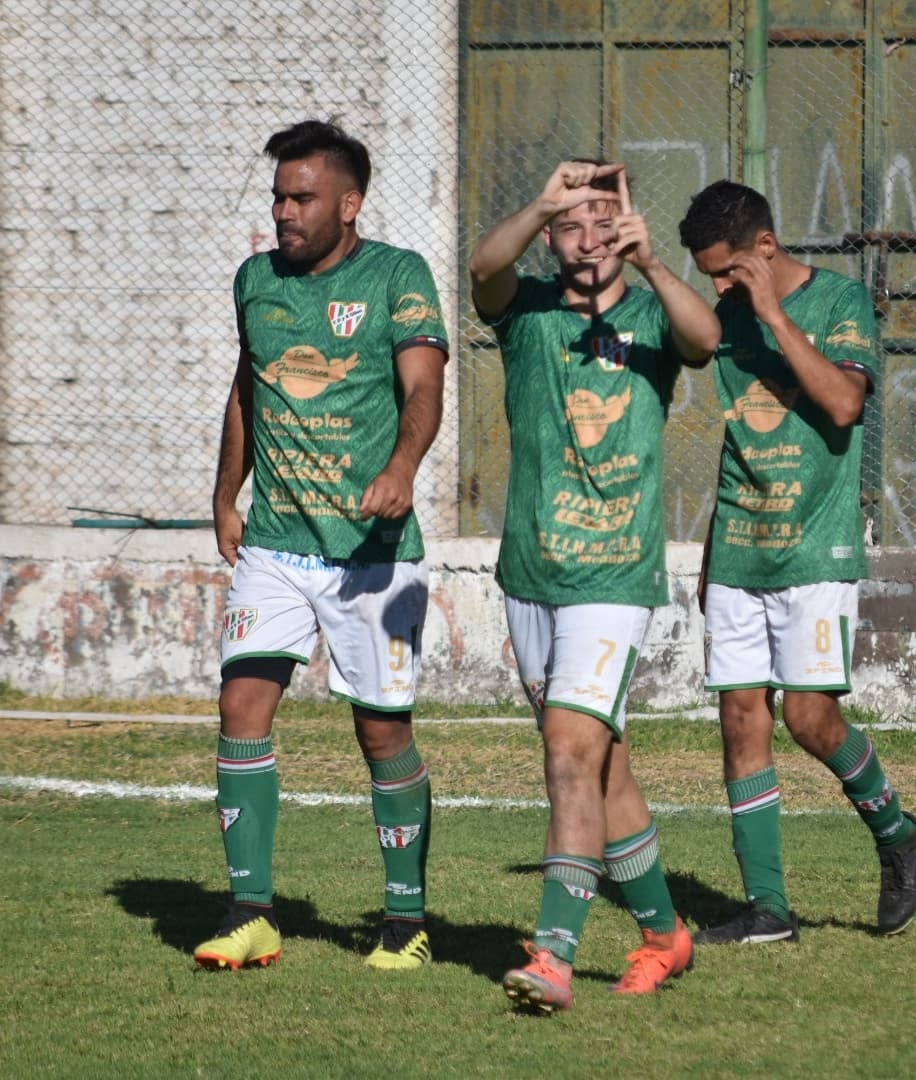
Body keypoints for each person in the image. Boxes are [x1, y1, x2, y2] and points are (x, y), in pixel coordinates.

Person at [194, 118, 448, 972]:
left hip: (373, 553)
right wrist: (226, 494)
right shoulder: (255, 281)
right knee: (241, 707)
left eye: (302, 198)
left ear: (350, 204)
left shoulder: (398, 276)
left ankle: (405, 920)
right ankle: (250, 912)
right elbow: (247, 387)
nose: (284, 213)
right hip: (275, 541)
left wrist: (404, 464)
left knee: (381, 733)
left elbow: (423, 385)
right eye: (278, 196)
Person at [468, 160, 721, 1012]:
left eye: (603, 220)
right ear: (550, 236)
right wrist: (540, 197)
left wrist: (654, 262)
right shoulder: (530, 312)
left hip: (613, 577)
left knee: (568, 756)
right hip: (530, 576)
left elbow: (708, 339)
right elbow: (481, 271)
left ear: (626, 226)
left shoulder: (653, 310)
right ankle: (665, 937)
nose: (588, 238)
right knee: (603, 769)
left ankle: (554, 956)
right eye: (570, 225)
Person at [676, 179, 916, 944]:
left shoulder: (841, 303)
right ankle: (768, 907)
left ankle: (897, 832)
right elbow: (739, 438)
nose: (719, 288)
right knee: (739, 717)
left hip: (817, 545)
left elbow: (844, 405)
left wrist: (773, 316)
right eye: (707, 276)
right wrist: (713, 546)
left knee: (809, 717)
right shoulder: (719, 319)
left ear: (765, 246)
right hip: (740, 547)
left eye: (727, 271)